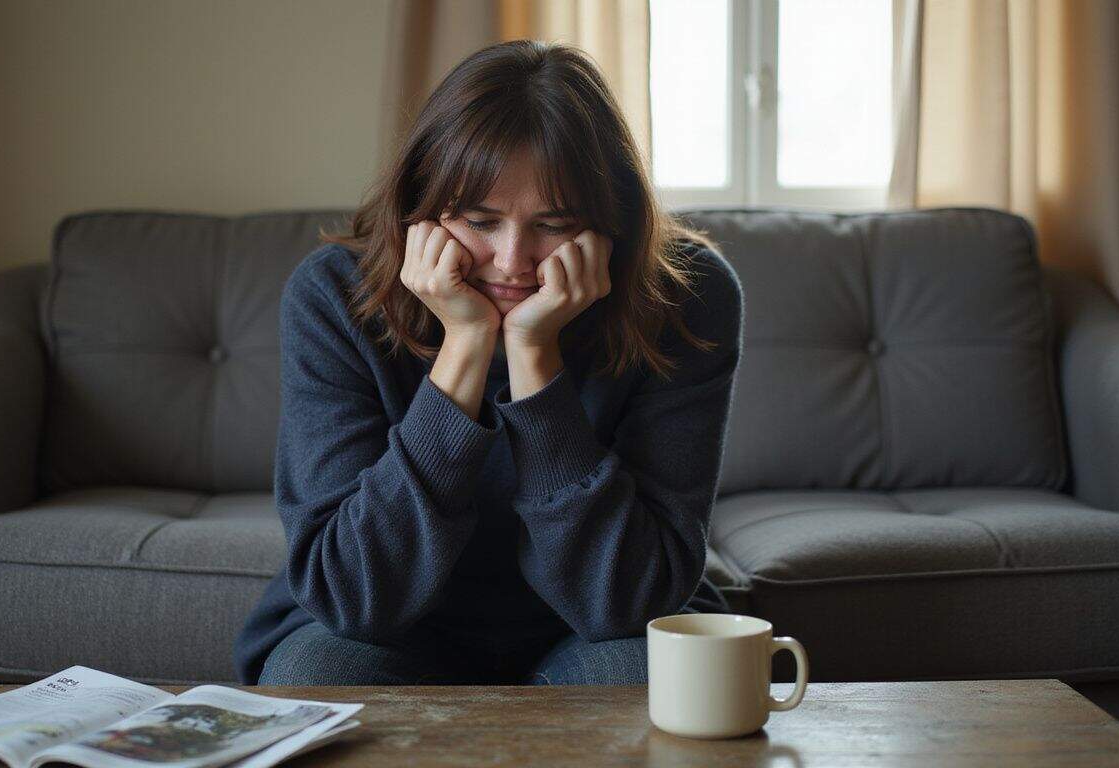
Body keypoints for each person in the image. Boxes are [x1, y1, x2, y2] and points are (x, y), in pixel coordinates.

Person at [232, 39, 744, 686]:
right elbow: (355, 597)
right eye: (480, 220)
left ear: (610, 223)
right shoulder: (333, 296)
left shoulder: (689, 297)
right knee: (324, 674)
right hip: (387, 628)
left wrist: (535, 358)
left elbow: (624, 601)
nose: (512, 261)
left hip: (597, 626)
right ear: (422, 207)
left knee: (646, 681)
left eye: (554, 225)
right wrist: (466, 344)